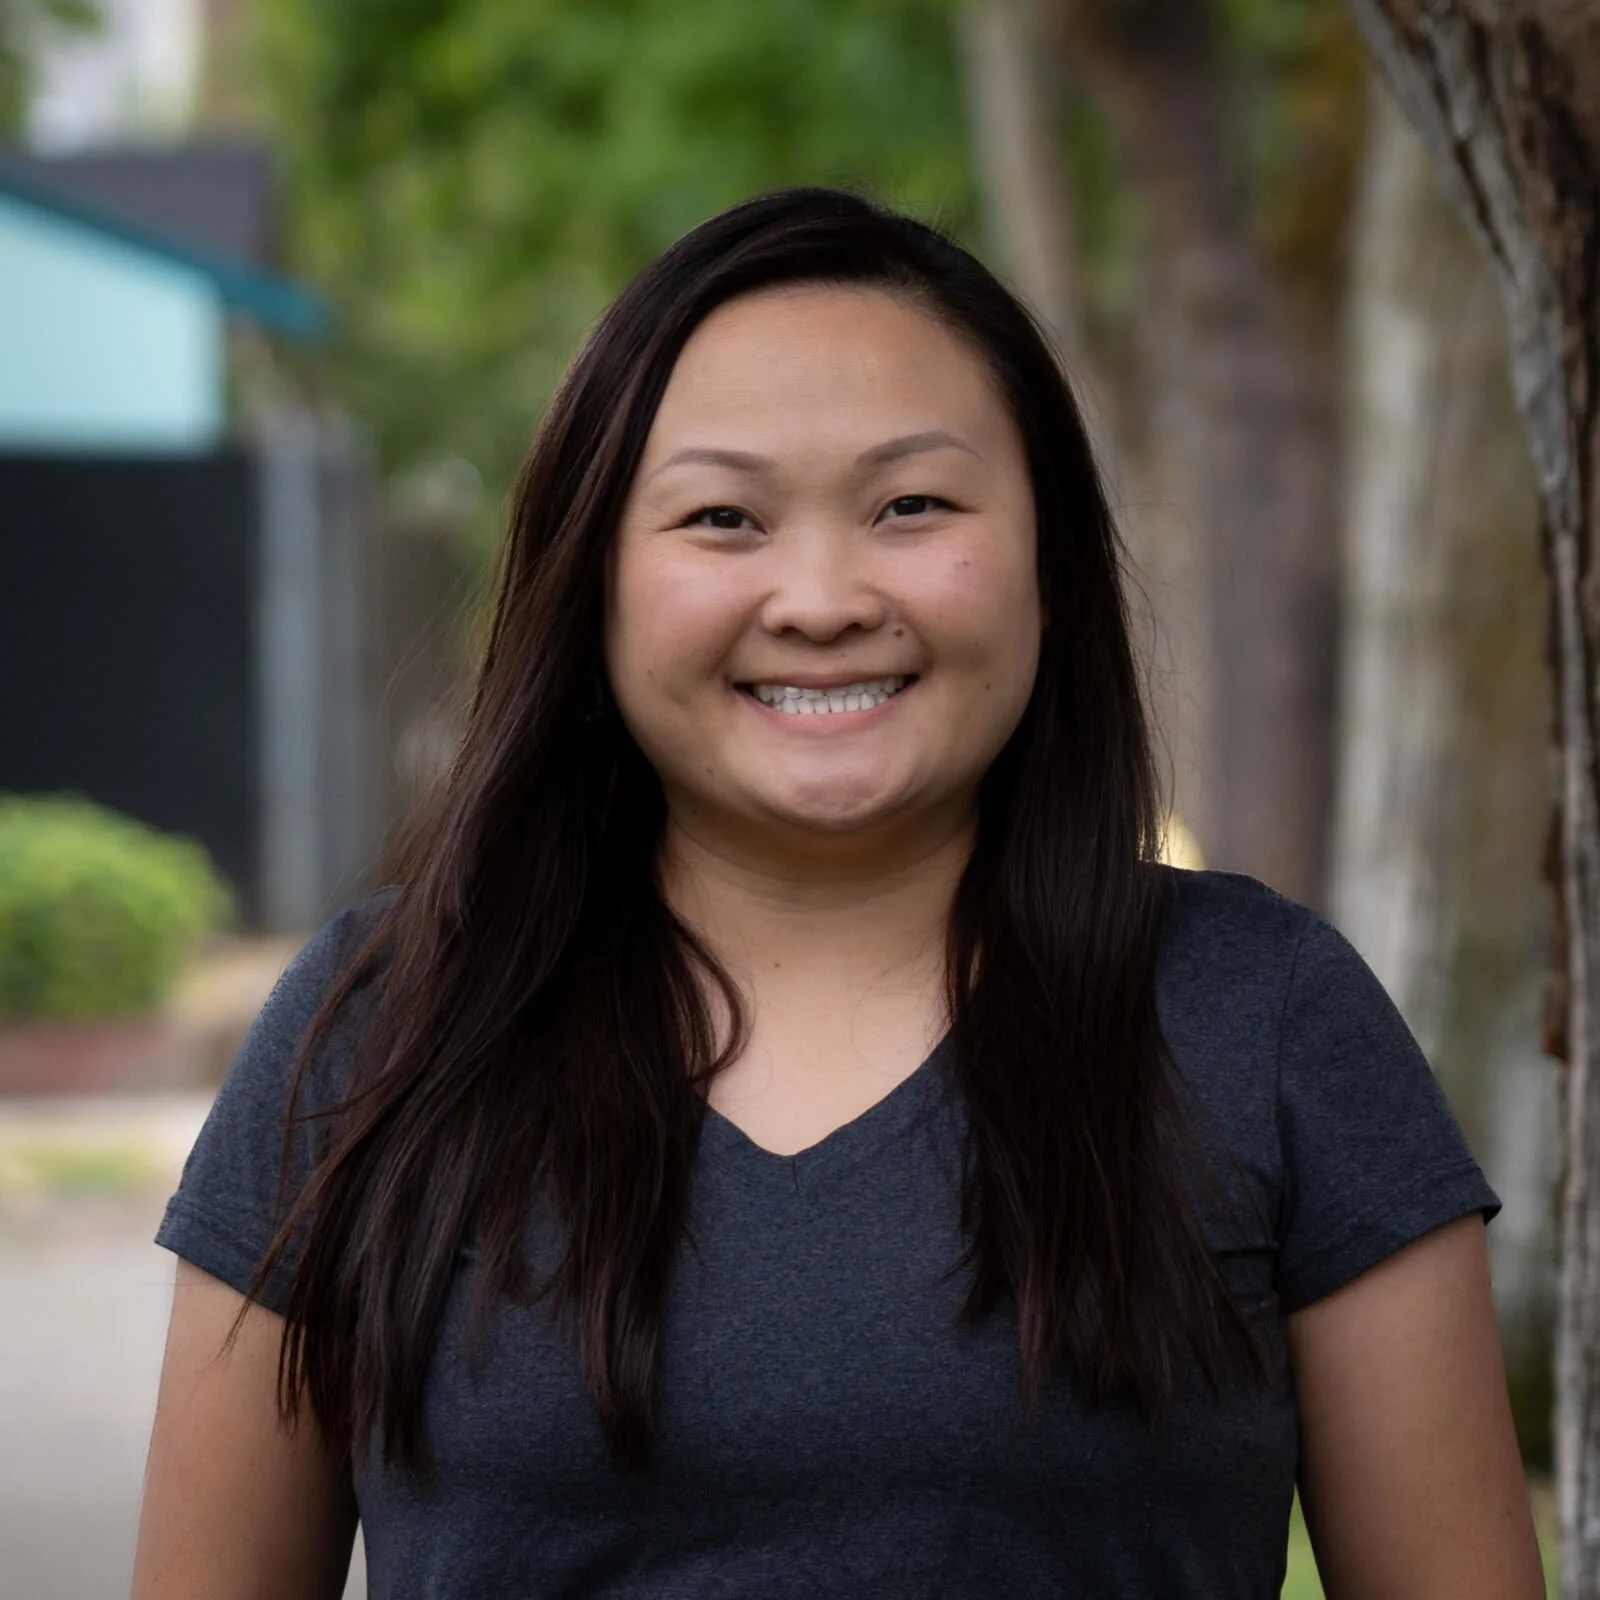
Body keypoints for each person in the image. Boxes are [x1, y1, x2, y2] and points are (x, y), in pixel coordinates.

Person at [131, 188, 1544, 1599]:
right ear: (594, 581)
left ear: (1050, 565)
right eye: (724, 516)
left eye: (911, 505)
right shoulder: (380, 1033)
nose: (819, 596)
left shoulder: (1268, 1017)